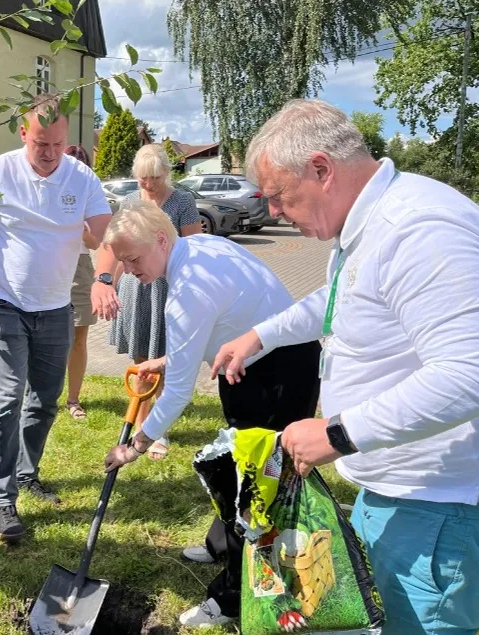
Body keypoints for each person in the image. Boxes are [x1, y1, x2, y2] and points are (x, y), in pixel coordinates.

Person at [212, 99, 479, 635]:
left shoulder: (421, 228)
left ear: (321, 170)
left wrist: (339, 433)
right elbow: (340, 297)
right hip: (400, 492)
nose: (273, 214)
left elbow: (475, 374)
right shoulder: (366, 226)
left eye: (278, 197)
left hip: (441, 509)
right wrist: (261, 335)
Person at [101, 199, 320, 628]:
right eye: (121, 261)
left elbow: (180, 392)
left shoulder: (185, 295)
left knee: (254, 487)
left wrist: (136, 445)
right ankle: (221, 543)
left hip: (273, 375)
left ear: (161, 240)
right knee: (240, 467)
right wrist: (166, 360)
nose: (128, 270)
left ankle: (234, 598)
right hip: (265, 360)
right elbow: (223, 320)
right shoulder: (202, 246)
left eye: (133, 258)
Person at [0, 94, 112, 542]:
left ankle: (27, 474)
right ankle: (1, 497)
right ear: (23, 133)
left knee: (45, 399)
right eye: (40, 143)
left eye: (58, 144)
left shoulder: (81, 177)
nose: (49, 153)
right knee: (7, 398)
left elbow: (105, 234)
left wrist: (103, 277)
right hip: (4, 304)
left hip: (56, 307)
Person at [96, 144, 201, 460]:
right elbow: (115, 247)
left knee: (167, 360)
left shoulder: (182, 201)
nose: (149, 185)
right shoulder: (129, 202)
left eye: (154, 177)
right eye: (143, 179)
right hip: (136, 289)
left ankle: (160, 428)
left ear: (166, 173)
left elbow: (195, 248)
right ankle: (143, 424)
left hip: (169, 290)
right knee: (141, 361)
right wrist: (106, 283)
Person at [63, 144, 100, 420]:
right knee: (42, 338)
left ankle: (73, 400)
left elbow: (97, 242)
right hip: (46, 266)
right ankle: (40, 395)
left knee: (78, 338)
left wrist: (82, 228)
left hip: (79, 267)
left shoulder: (92, 195)